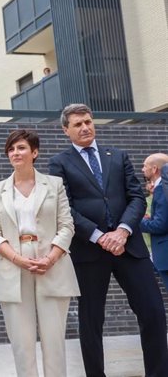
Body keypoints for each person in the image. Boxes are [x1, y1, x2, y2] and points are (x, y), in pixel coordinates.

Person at [48, 103, 168, 377]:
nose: (85, 127)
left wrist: (123, 230)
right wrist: (100, 236)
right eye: (77, 124)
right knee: (92, 322)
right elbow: (64, 206)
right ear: (66, 130)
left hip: (129, 247)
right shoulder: (60, 163)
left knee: (153, 312)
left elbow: (137, 197)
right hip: (90, 251)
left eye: (88, 121)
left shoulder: (118, 155)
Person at [0, 129, 79, 377]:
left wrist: (49, 258)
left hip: (52, 263)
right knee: (22, 343)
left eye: (21, 148)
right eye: (11, 149)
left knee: (54, 340)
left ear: (34, 152)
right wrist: (18, 259)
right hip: (13, 265)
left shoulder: (54, 184)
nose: (15, 153)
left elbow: (67, 225)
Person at [140, 153, 168, 290]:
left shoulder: (162, 189)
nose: (142, 169)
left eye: (145, 166)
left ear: (155, 168)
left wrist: (137, 222)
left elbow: (160, 225)